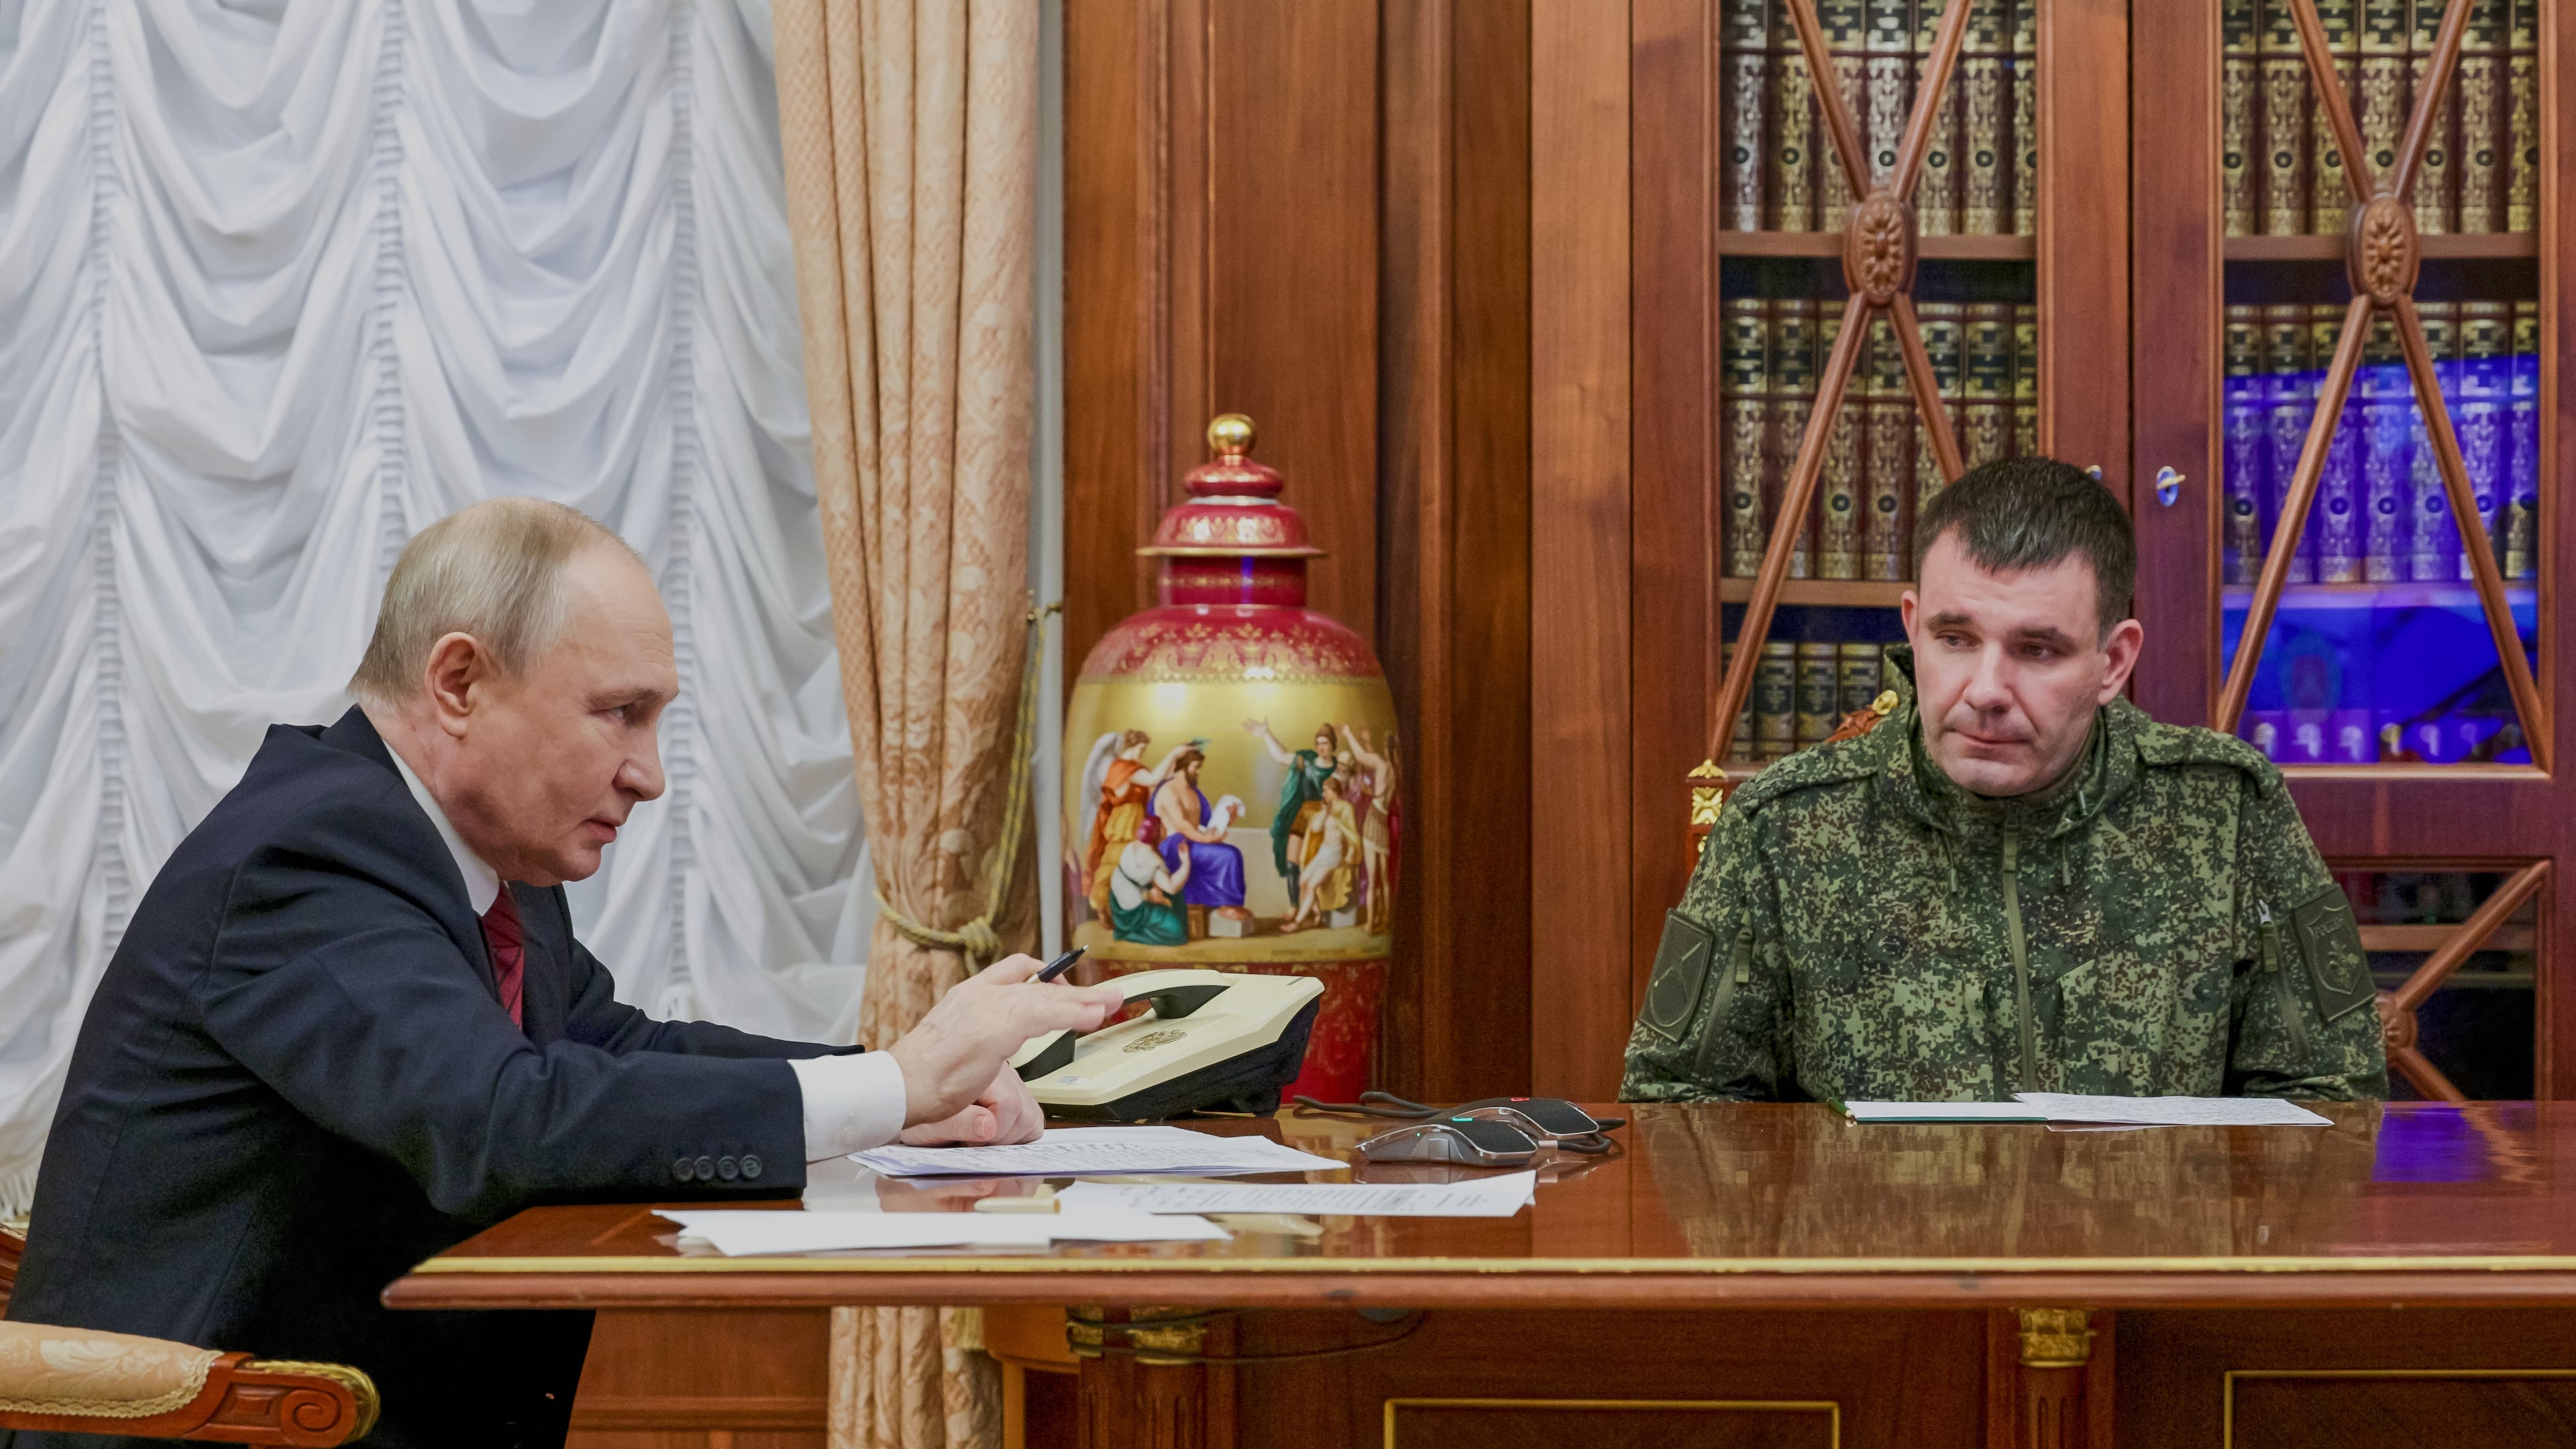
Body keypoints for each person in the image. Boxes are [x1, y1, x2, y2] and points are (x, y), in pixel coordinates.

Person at [4, 499, 1125, 1449]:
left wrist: (905, 1091)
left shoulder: (478, 854)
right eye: (620, 714)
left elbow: (612, 1046)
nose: (648, 775)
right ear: (458, 681)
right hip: (215, 1427)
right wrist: (897, 1084)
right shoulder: (310, 856)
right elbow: (501, 1119)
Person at [1623, 459, 2387, 1105]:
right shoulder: (1782, 828)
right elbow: (1675, 1103)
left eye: (2037, 650)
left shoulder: (2227, 811)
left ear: (2113, 662)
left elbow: (2335, 1094)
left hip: (2149, 1240)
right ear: (1913, 626)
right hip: (1877, 1241)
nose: (1986, 690)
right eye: (1955, 639)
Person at [1152, 748, 1252, 931]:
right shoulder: (1168, 791)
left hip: (1194, 841)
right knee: (1228, 855)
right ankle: (1227, 905)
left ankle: (1232, 904)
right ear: (1183, 767)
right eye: (1196, 767)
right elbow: (1183, 826)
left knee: (1231, 852)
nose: (1198, 772)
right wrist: (1208, 840)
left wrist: (1229, 818)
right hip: (1176, 846)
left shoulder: (1193, 792)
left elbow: (1208, 825)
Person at [1245, 717, 1339, 898]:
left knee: (1317, 864)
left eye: (1325, 744)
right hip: (1304, 814)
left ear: (1333, 746)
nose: (1321, 748)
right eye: (1318, 743)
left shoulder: (1338, 768)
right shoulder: (1306, 761)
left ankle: (1314, 908)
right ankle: (1295, 906)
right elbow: (1281, 756)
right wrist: (1266, 733)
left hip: (1328, 818)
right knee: (1292, 862)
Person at [1282, 775, 1364, 934]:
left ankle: (1297, 923)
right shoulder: (1326, 807)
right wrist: (1325, 812)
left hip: (1334, 855)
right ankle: (1318, 914)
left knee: (1312, 885)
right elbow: (1316, 829)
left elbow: (1353, 836)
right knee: (1302, 882)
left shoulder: (1346, 807)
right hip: (1322, 853)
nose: (1324, 794)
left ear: (1334, 791)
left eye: (1326, 790)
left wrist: (1338, 821)